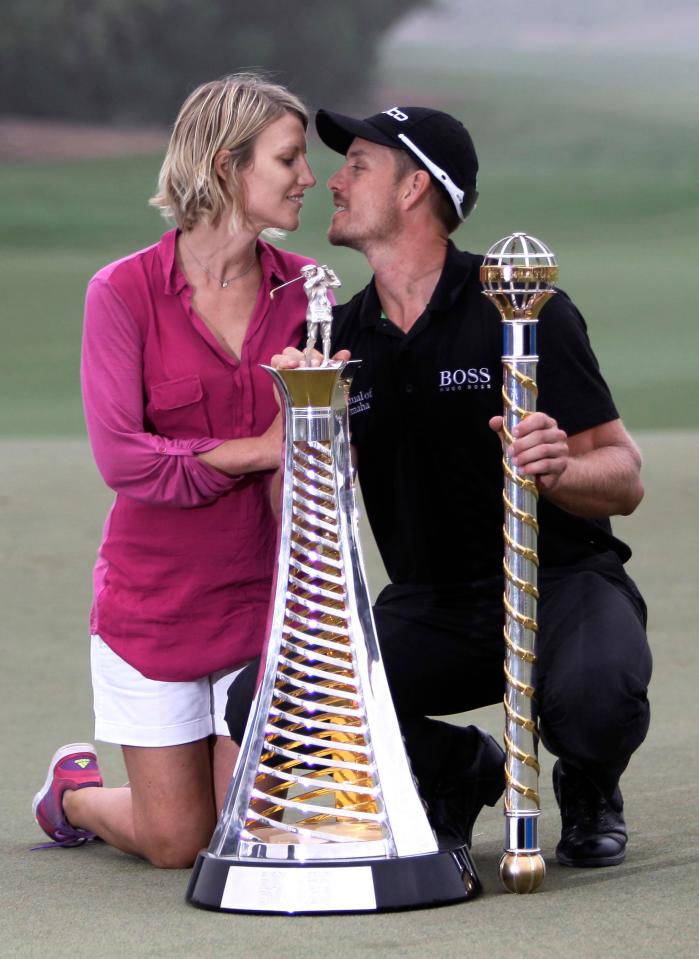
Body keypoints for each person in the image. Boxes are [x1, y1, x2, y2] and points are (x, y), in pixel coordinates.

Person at [226, 104, 652, 868]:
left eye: (358, 163)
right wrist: (302, 444)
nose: (334, 179)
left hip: (559, 582)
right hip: (431, 604)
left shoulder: (520, 307)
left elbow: (622, 477)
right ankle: (456, 768)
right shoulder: (338, 341)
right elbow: (306, 511)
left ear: (414, 187)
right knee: (264, 700)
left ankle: (589, 777)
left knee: (594, 703)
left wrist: (558, 467)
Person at [32, 74, 319, 868]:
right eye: (289, 158)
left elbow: (320, 456)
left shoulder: (308, 292)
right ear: (228, 166)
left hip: (262, 604)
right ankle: (72, 792)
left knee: (236, 835)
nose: (309, 177)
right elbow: (123, 459)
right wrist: (262, 446)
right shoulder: (120, 292)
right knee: (174, 843)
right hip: (151, 605)